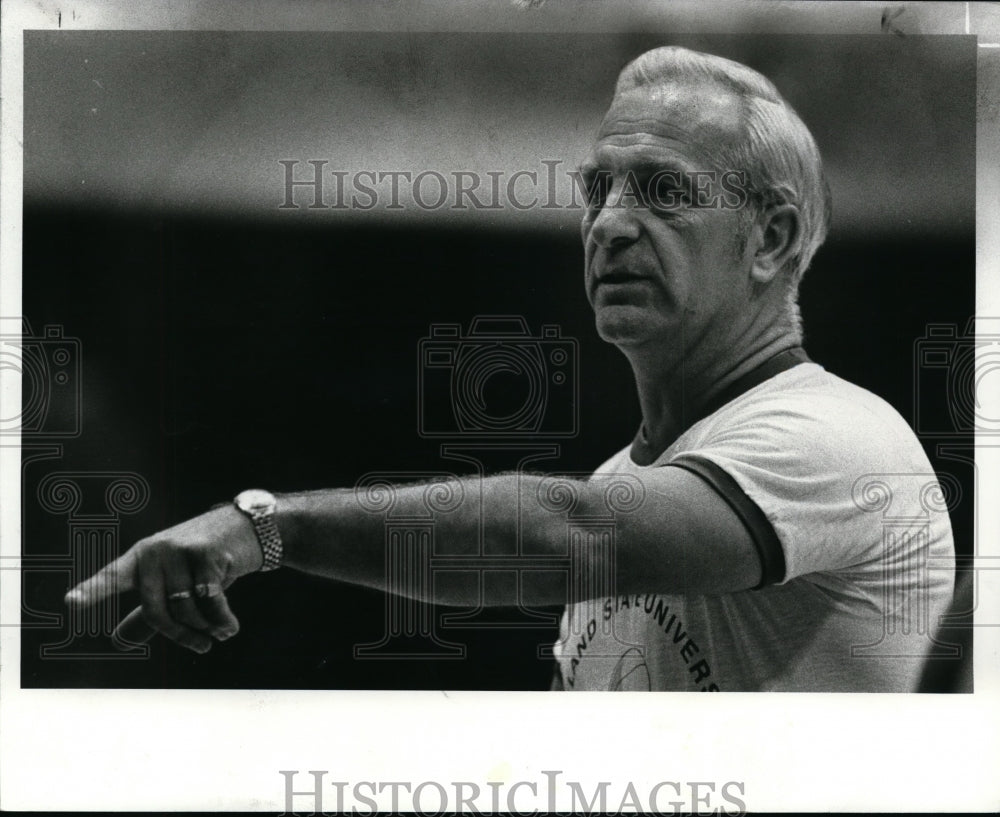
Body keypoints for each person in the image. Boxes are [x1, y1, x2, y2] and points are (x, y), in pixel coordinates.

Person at [65, 46, 955, 692]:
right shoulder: (642, 474)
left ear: (773, 239)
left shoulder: (837, 435)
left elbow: (571, 530)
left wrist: (266, 526)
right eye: (596, 190)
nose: (609, 223)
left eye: (663, 190)